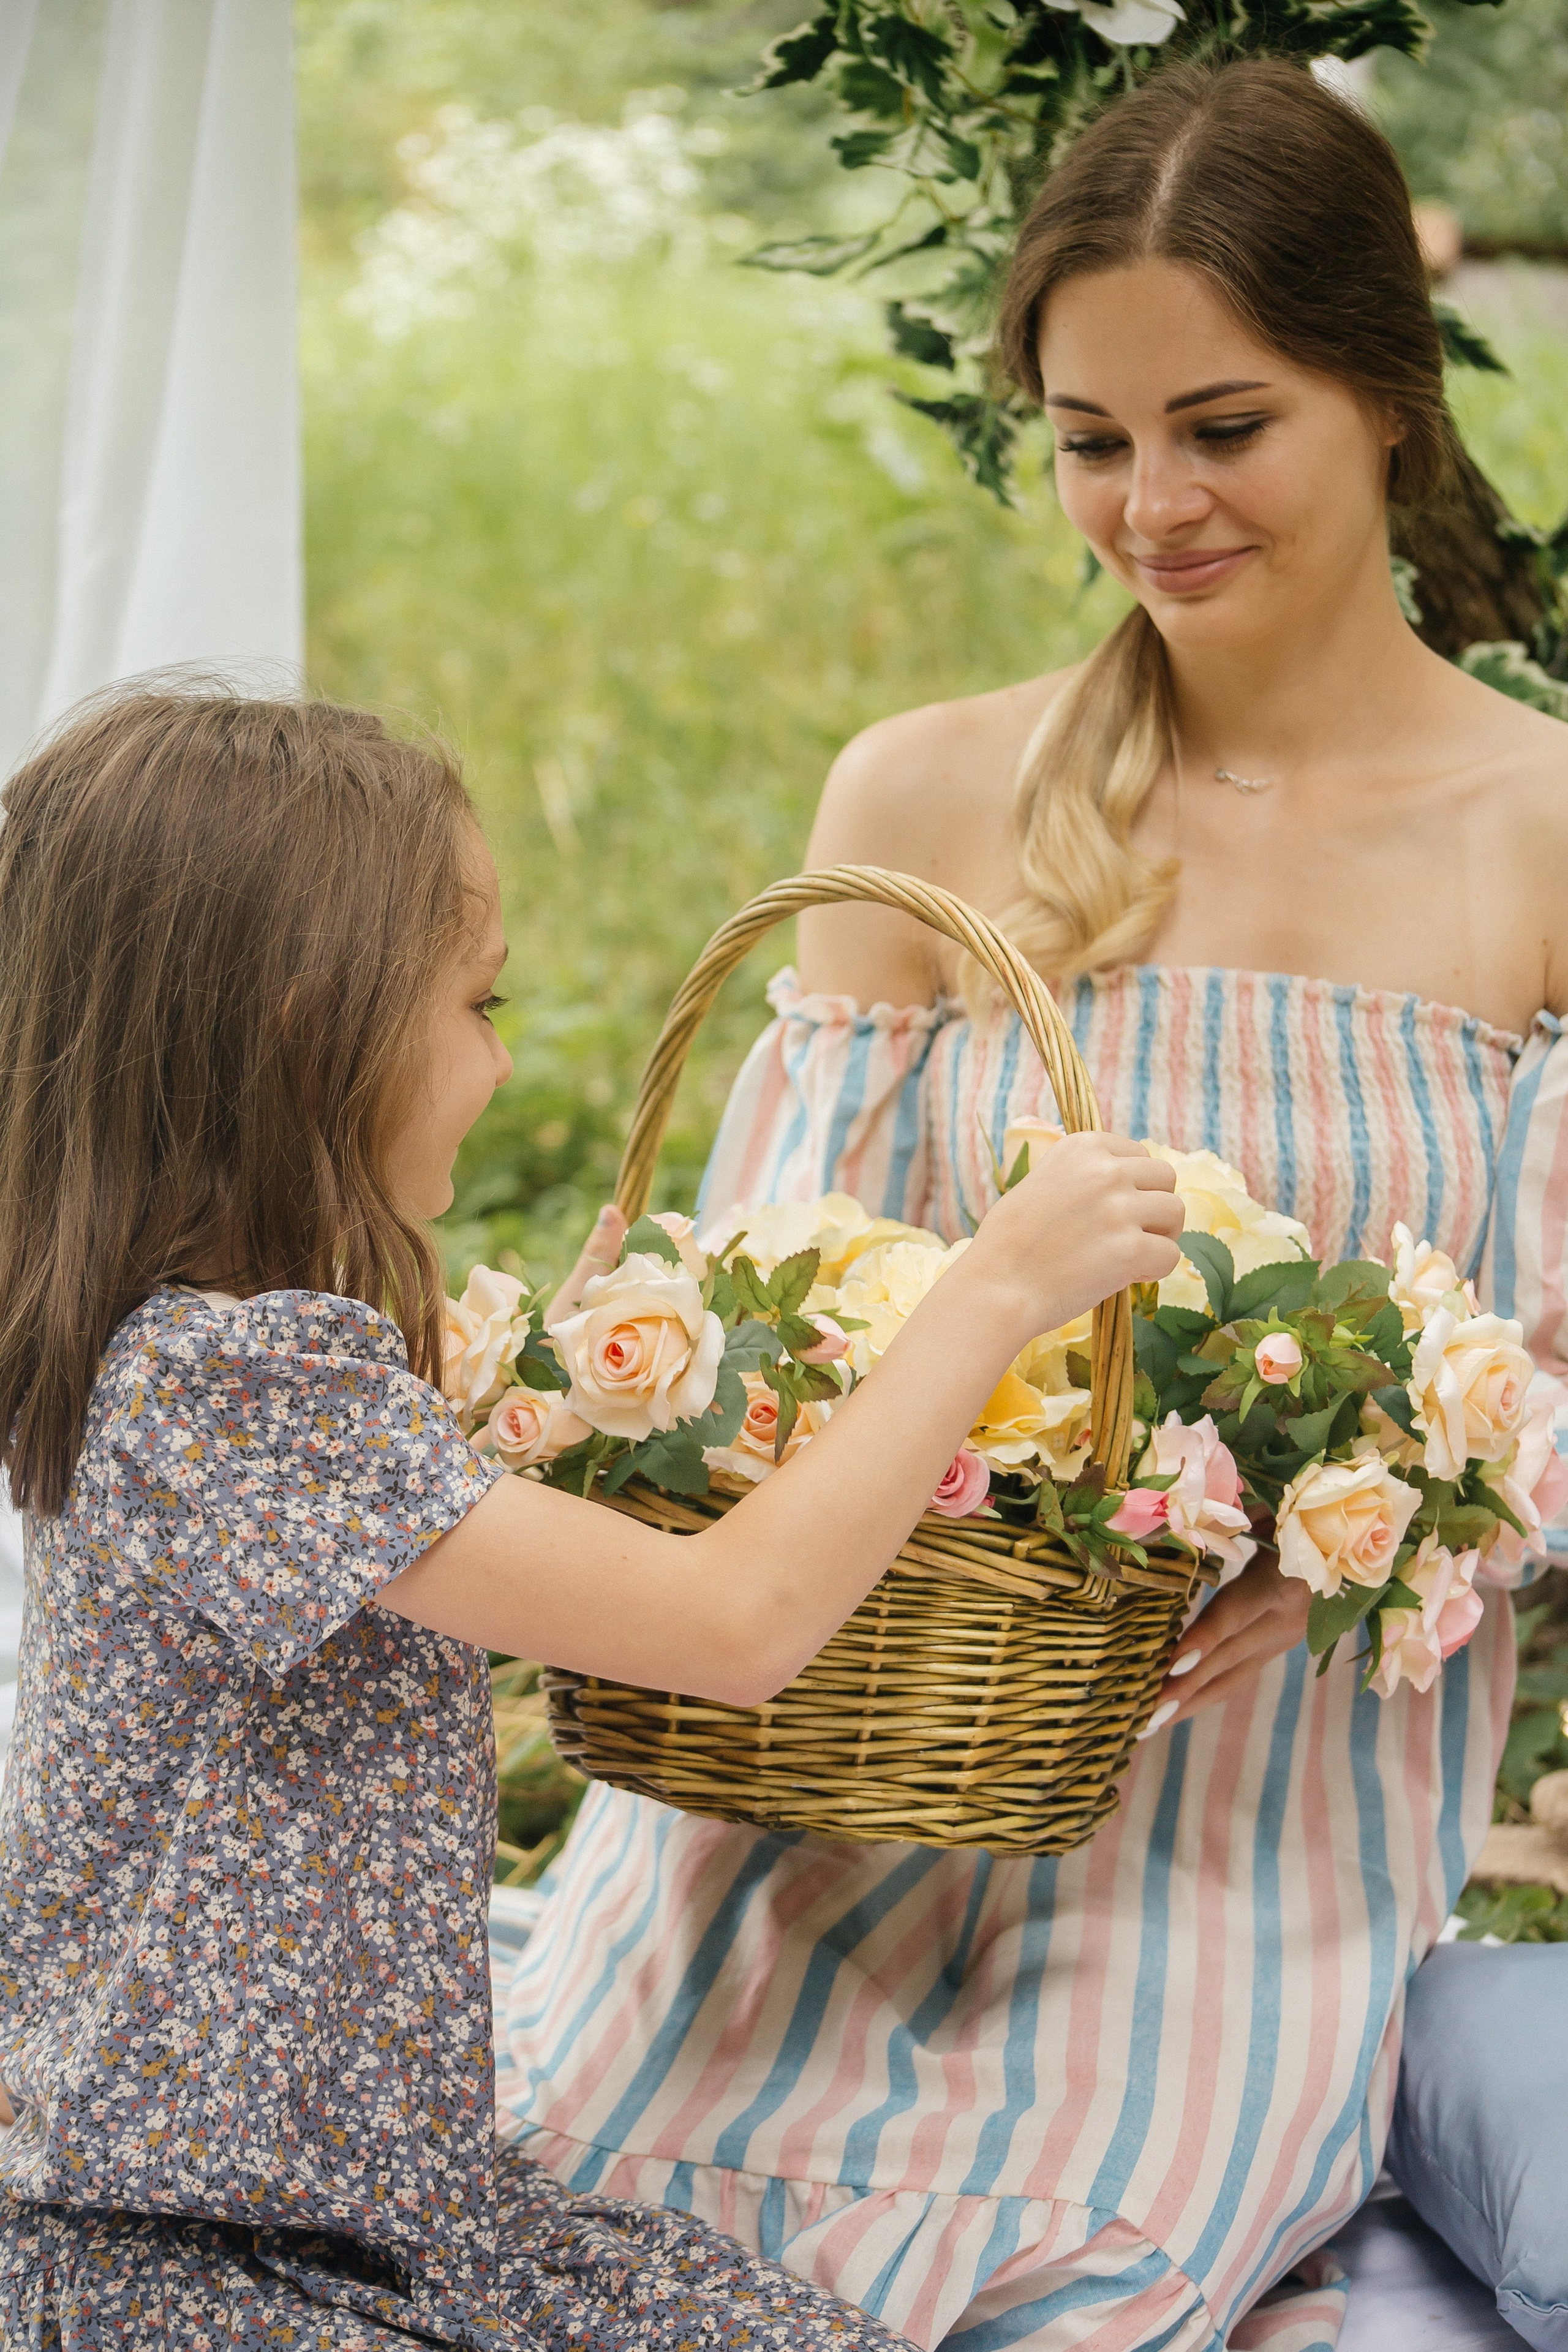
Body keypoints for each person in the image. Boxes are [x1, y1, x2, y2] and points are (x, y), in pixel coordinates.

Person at [497, 58, 1568, 2352]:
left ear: (1387, 394)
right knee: (584, 2226)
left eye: (1221, 424)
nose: (1149, 506)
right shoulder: (931, 797)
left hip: (1250, 1783)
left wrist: (1397, 1538)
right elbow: (762, 1325)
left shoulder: (1539, 832)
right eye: (1092, 441)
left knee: (1060, 2267)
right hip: (864, 1727)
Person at [0, 689, 1183, 2348]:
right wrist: (989, 1296)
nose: (496, 1055)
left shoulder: (228, 1359)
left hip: (367, 2218)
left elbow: (439, 1552)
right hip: (192, 2250)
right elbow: (736, 1627)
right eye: (479, 1005)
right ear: (301, 1021)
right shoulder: (236, 1380)